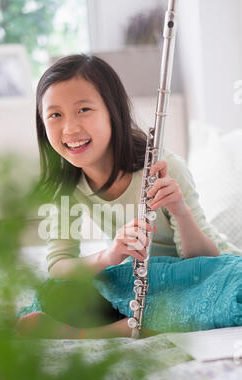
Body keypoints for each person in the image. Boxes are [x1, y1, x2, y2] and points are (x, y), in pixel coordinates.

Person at [16, 53, 241, 340]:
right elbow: (59, 266)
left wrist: (180, 211)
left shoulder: (165, 168)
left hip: (204, 275)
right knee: (56, 291)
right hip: (142, 281)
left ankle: (91, 334)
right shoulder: (66, 188)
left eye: (84, 109)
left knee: (231, 292)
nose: (70, 128)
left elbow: (207, 258)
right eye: (55, 115)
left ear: (113, 112)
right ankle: (143, 320)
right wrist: (108, 256)